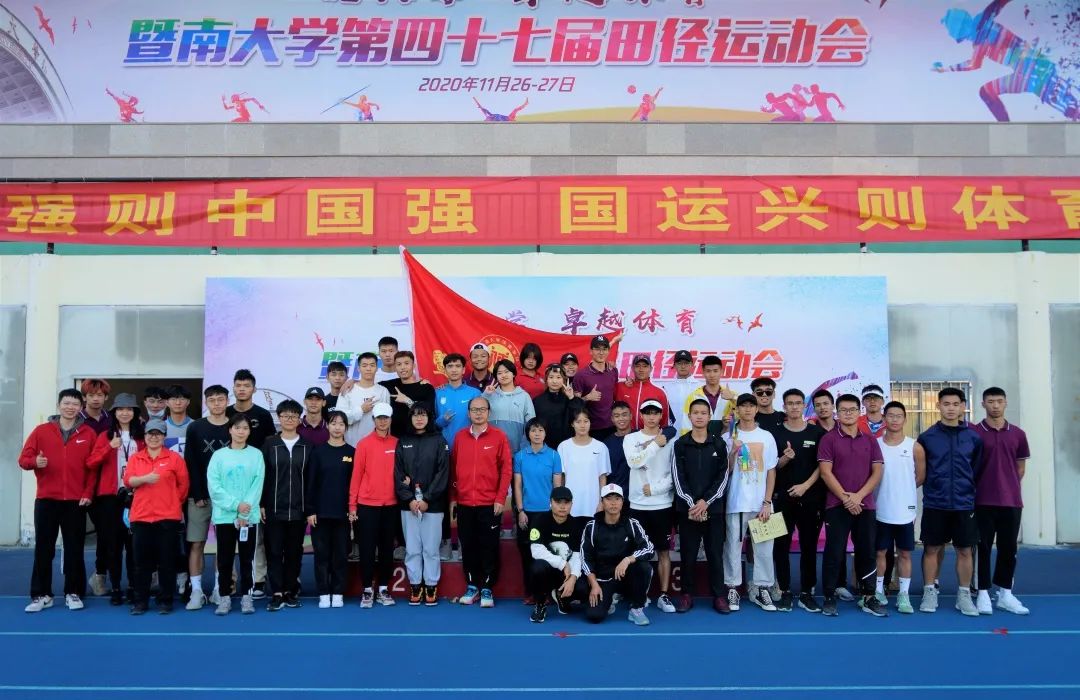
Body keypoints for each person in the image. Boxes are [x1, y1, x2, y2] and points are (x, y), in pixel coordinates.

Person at [20, 389, 96, 613]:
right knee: (43, 549)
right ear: (59, 405)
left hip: (75, 501)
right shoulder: (41, 431)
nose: (70, 407)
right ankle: (41, 594)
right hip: (46, 500)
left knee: (74, 548)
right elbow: (23, 459)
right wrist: (35, 462)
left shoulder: (88, 433)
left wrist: (87, 493)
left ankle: (73, 592)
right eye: (66, 403)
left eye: (75, 404)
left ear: (81, 407)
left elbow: (93, 468)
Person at [818, 393, 886, 617]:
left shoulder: (870, 440)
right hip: (836, 506)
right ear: (837, 413)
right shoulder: (829, 439)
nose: (848, 413)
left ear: (860, 411)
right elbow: (826, 473)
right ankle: (829, 596)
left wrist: (858, 497)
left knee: (867, 551)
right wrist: (847, 499)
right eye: (843, 410)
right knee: (834, 552)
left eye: (852, 409)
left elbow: (877, 472)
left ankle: (869, 596)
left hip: (865, 505)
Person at [918, 388, 984, 616]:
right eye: (946, 404)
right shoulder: (927, 437)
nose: (951, 408)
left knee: (965, 550)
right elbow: (922, 470)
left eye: (956, 404)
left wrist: (968, 492)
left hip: (964, 504)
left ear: (963, 406)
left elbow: (976, 469)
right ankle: (929, 591)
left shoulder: (974, 437)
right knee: (931, 549)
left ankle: (964, 596)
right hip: (935, 503)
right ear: (938, 406)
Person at [450, 396, 513, 607]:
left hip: (490, 503)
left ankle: (487, 587)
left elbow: (506, 470)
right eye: (474, 410)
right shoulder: (460, 437)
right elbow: (454, 469)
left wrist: (500, 498)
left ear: (489, 412)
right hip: (465, 503)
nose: (478, 413)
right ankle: (472, 586)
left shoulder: (499, 436)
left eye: (482, 409)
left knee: (489, 546)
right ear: (468, 413)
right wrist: (454, 498)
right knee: (468, 546)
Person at [973, 387, 1030, 615]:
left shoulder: (1018, 434)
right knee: (982, 548)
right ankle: (983, 593)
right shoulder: (974, 432)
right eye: (990, 401)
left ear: (1005, 403)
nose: (995, 405)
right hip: (982, 501)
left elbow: (1020, 468)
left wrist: (1007, 486)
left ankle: (1005, 594)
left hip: (1011, 501)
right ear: (983, 404)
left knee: (1008, 548)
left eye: (999, 401)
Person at [770, 389, 827, 613]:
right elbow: (770, 468)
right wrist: (785, 459)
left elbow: (823, 466)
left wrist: (805, 486)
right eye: (790, 403)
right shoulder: (773, 433)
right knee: (780, 547)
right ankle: (784, 591)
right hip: (780, 499)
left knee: (809, 547)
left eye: (798, 403)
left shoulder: (817, 433)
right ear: (784, 407)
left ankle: (806, 593)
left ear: (804, 406)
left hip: (811, 499)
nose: (794, 407)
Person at [124, 420, 189, 615]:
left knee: (167, 561)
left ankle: (165, 600)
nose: (154, 437)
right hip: (141, 516)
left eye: (158, 434)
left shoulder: (174, 458)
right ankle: (140, 601)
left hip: (167, 517)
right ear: (144, 436)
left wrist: (171, 502)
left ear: (164, 437)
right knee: (141, 563)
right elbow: (128, 481)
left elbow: (183, 486)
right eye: (150, 434)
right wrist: (145, 479)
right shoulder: (136, 458)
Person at [671, 399, 730, 614]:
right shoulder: (680, 444)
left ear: (709, 416)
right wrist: (692, 504)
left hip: (713, 510)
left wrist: (706, 502)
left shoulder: (719, 444)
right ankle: (686, 594)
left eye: (703, 413)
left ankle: (719, 596)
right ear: (689, 416)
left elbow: (723, 477)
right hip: (687, 510)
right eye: (695, 412)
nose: (699, 416)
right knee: (688, 554)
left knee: (715, 553)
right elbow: (678, 478)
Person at [724, 394, 779, 612]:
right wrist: (732, 452)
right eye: (743, 406)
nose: (747, 410)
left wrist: (767, 502)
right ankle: (733, 588)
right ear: (736, 410)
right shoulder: (728, 436)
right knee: (732, 548)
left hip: (762, 504)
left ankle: (763, 589)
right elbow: (725, 472)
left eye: (751, 406)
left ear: (756, 409)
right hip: (736, 502)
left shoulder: (767, 436)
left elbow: (771, 471)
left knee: (764, 550)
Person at [86, 393, 143, 605]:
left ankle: (133, 586)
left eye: (129, 409)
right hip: (110, 497)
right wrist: (108, 447)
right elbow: (91, 463)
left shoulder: (142, 436)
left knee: (134, 544)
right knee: (113, 544)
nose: (125, 413)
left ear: (135, 413)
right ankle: (116, 586)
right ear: (114, 413)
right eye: (120, 409)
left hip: (137, 495)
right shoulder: (105, 436)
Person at [207, 413, 265, 616]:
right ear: (230, 430)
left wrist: (245, 510)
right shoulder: (218, 456)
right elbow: (214, 486)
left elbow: (257, 484)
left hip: (248, 518)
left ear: (249, 432)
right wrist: (235, 505)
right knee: (224, 559)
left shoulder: (256, 455)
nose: (241, 432)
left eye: (245, 428)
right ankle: (224, 596)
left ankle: (247, 597)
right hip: (224, 517)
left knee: (247, 559)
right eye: (237, 428)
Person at [624, 399, 677, 613]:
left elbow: (674, 474)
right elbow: (634, 462)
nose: (651, 416)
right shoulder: (631, 438)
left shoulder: (672, 441)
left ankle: (664, 595)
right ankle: (640, 594)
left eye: (655, 413)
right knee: (638, 552)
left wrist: (655, 489)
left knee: (663, 551)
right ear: (641, 415)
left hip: (662, 504)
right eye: (647, 412)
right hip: (637, 505)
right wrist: (656, 443)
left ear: (661, 416)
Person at [395, 404, 451, 606]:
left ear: (429, 418)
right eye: (415, 415)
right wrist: (409, 499)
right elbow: (398, 473)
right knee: (412, 549)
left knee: (431, 549)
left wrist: (427, 499)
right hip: (408, 505)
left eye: (423, 415)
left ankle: (431, 585)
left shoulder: (439, 440)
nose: (419, 419)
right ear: (410, 418)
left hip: (432, 505)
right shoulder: (403, 441)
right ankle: (415, 585)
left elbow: (443, 473)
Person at [576, 484, 654, 625]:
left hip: (625, 576)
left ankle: (636, 608)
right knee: (595, 616)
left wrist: (628, 559)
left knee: (644, 567)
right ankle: (609, 598)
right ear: (602, 502)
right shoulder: (592, 526)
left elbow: (649, 548)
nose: (613, 503)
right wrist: (594, 584)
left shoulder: (632, 524)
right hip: (603, 579)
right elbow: (585, 557)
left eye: (617, 498)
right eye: (609, 499)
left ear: (622, 502)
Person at [183, 384, 231, 610]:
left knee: (225, 544)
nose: (217, 404)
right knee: (196, 542)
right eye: (212, 400)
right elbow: (190, 461)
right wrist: (198, 492)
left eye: (220, 399)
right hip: (200, 497)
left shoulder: (235, 425)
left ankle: (220, 589)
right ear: (206, 402)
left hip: (228, 499)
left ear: (227, 401)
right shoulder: (195, 427)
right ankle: (196, 591)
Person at [874, 401, 925, 615]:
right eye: (890, 415)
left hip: (905, 510)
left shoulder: (915, 446)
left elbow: (920, 477)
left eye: (899, 416)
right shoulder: (875, 444)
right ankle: (878, 591)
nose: (894, 420)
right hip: (880, 508)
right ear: (884, 418)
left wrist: (903, 491)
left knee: (904, 553)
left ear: (905, 419)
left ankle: (904, 595)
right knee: (880, 552)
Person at [261, 399, 312, 611]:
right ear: (279, 418)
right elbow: (262, 476)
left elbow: (311, 480)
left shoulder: (307, 446)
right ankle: (277, 592)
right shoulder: (269, 444)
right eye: (285, 416)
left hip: (298, 510)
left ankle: (290, 590)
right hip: (273, 508)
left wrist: (309, 508)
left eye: (293, 416)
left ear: (299, 419)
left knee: (294, 552)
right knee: (273, 551)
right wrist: (262, 503)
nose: (289, 419)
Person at [349, 402, 399, 608]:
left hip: (391, 505)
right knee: (367, 549)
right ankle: (367, 590)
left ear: (391, 419)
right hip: (367, 505)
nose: (382, 421)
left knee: (387, 549)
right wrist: (352, 505)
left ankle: (384, 588)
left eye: (386, 417)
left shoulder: (397, 443)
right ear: (373, 420)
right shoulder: (363, 444)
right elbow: (356, 476)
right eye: (379, 418)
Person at [434, 352, 480, 561]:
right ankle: (445, 541)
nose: (453, 369)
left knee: (465, 498)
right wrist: (441, 421)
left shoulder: (474, 393)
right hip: (443, 455)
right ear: (445, 370)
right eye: (450, 366)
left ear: (464, 370)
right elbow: (430, 423)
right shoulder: (438, 393)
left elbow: (481, 420)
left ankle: (464, 542)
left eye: (457, 366)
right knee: (442, 498)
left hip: (468, 454)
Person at [305, 410, 354, 609]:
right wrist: (310, 510)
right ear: (328, 426)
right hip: (320, 514)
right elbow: (310, 484)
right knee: (322, 555)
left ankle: (338, 592)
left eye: (341, 424)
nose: (337, 427)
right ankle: (324, 592)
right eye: (333, 423)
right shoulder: (317, 452)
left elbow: (355, 485)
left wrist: (352, 510)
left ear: (346, 428)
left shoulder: (352, 453)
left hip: (343, 515)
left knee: (340, 555)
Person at [513, 418, 564, 604]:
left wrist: (556, 511)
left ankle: (548, 592)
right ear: (528, 433)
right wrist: (520, 510)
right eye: (533, 430)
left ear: (545, 433)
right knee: (527, 554)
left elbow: (557, 486)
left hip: (548, 513)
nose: (537, 434)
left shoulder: (554, 456)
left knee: (550, 553)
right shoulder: (520, 456)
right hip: (527, 513)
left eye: (540, 430)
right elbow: (517, 486)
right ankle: (531, 593)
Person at [527, 486, 583, 623]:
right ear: (551, 502)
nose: (562, 506)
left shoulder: (576, 525)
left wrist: (573, 577)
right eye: (558, 502)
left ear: (571, 504)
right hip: (548, 572)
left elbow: (577, 555)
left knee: (583, 589)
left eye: (566, 502)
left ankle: (561, 596)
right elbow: (536, 550)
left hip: (566, 574)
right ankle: (540, 604)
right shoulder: (539, 520)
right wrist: (562, 564)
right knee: (537, 567)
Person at [557, 408, 611, 528]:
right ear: (572, 424)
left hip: (593, 503)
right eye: (578, 421)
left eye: (586, 421)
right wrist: (561, 502)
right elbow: (561, 478)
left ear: (590, 423)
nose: (582, 425)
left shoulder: (600, 447)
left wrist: (601, 502)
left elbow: (602, 478)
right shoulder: (564, 447)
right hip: (571, 504)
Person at [337, 352, 391, 446]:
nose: (368, 369)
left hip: (377, 446)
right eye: (364, 365)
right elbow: (339, 418)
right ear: (358, 368)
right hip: (352, 445)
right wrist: (361, 410)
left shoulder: (383, 391)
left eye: (372, 365)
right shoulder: (347, 390)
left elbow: (387, 420)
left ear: (376, 368)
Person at [572, 335, 619, 440]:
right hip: (592, 428)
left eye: (604, 349)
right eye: (597, 349)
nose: (601, 353)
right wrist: (587, 397)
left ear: (608, 351)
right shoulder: (581, 375)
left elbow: (615, 394)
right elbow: (574, 405)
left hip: (612, 426)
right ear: (591, 351)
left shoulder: (613, 371)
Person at [380, 351, 436, 438]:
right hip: (396, 439)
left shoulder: (426, 388)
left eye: (406, 363)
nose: (403, 367)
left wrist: (407, 400)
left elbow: (429, 413)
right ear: (395, 367)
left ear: (413, 366)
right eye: (399, 364)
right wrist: (355, 382)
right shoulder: (389, 385)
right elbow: (369, 384)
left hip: (420, 439)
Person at [487, 359, 536, 454]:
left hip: (517, 451)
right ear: (496, 377)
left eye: (506, 372)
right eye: (499, 373)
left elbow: (530, 424)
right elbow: (478, 413)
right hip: (492, 450)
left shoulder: (524, 396)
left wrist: (524, 447)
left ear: (513, 374)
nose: (503, 375)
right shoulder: (490, 395)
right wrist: (486, 395)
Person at [680, 355, 736, 436]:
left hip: (726, 441)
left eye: (715, 371)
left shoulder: (732, 395)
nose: (712, 375)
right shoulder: (693, 397)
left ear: (721, 372)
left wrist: (733, 399)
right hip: (700, 441)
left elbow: (743, 418)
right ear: (703, 372)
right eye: (708, 371)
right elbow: (686, 425)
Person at [532, 364, 581, 450]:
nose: (554, 381)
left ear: (564, 380)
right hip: (544, 447)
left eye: (558, 377)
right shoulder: (537, 401)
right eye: (551, 377)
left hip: (567, 446)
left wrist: (571, 398)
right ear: (546, 380)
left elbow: (579, 417)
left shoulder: (570, 399)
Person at [615, 355, 669, 431]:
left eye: (645, 366)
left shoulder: (660, 392)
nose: (641, 369)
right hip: (625, 434)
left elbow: (664, 420)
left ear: (651, 368)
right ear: (632, 368)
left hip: (649, 435)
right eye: (637, 366)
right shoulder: (620, 387)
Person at [226, 369, 276, 448]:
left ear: (254, 389)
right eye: (238, 385)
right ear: (233, 388)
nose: (242, 389)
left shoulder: (264, 414)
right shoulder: (225, 413)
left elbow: (271, 442)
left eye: (246, 386)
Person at [664, 350, 703, 435]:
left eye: (686, 363)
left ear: (692, 365)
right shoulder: (666, 388)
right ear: (674, 365)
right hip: (671, 436)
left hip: (694, 436)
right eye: (679, 363)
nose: (683, 366)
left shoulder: (701, 387)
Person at [602, 402, 633, 495]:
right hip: (616, 495)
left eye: (624, 415)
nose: (621, 419)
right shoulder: (606, 444)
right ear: (612, 419)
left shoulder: (640, 436)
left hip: (638, 494)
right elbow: (604, 474)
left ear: (631, 416)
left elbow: (668, 431)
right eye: (617, 416)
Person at [164, 384, 193, 457]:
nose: (178, 403)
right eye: (173, 399)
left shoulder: (196, 425)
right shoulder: (161, 426)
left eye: (182, 399)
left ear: (188, 402)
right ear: (166, 402)